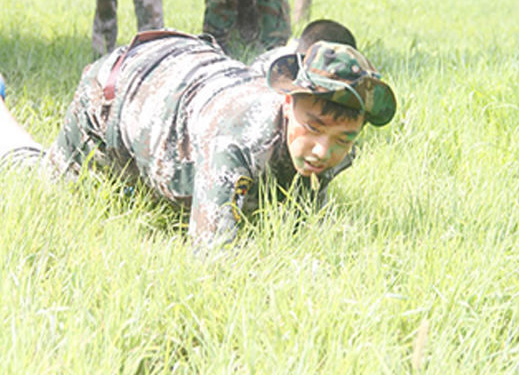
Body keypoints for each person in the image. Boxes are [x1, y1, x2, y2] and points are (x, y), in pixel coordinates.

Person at [0, 21, 396, 250]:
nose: (325, 150)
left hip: (188, 72)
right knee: (44, 182)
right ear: (288, 103)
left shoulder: (329, 140)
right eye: (314, 128)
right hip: (118, 92)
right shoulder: (236, 140)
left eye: (344, 138)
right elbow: (214, 258)